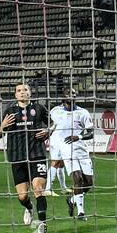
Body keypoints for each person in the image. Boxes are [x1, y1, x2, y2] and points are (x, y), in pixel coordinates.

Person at [0, 83, 52, 233]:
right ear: (15, 95)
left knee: (38, 189)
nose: (22, 92)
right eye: (19, 90)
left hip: (37, 155)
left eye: (25, 90)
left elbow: (53, 125)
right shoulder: (10, 111)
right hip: (17, 157)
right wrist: (3, 126)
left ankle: (42, 224)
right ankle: (29, 208)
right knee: (22, 196)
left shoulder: (39, 109)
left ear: (30, 93)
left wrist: (48, 131)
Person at [50, 89, 95, 221]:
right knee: (77, 177)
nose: (73, 96)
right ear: (63, 98)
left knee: (89, 182)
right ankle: (81, 212)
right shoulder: (55, 111)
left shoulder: (83, 112)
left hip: (82, 150)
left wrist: (79, 136)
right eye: (70, 94)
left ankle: (72, 200)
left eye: (75, 94)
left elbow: (91, 132)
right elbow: (49, 125)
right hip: (66, 150)